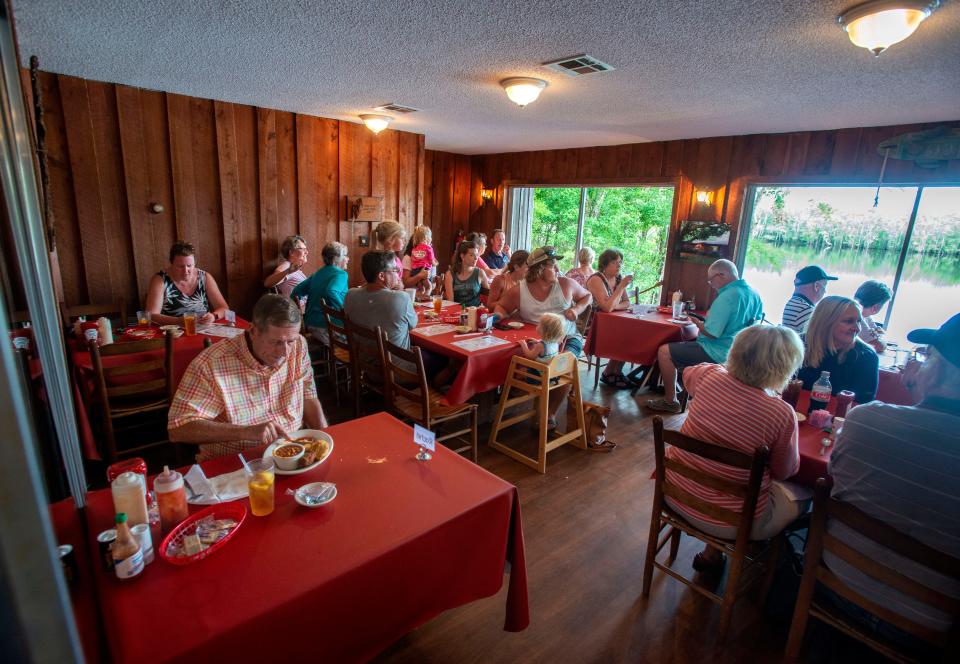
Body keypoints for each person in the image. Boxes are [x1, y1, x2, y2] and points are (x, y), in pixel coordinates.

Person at [825, 313, 960, 645]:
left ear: (938, 369)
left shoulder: (865, 420)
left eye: (925, 355)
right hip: (931, 623)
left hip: (836, 579)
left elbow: (833, 482)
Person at [663, 325, 809, 571]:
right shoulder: (781, 413)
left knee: (727, 473)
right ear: (785, 367)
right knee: (805, 494)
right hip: (733, 523)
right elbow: (784, 471)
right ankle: (782, 574)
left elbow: (688, 375)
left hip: (675, 493)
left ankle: (712, 555)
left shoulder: (709, 375)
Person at [167, 294, 327, 461]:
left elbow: (308, 394)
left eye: (290, 341)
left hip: (294, 452)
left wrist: (325, 439)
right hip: (237, 463)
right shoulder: (210, 364)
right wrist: (246, 432)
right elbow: (178, 428)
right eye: (276, 342)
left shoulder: (299, 344)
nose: (285, 353)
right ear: (253, 331)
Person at [493, 246, 592, 429]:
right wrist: (498, 316)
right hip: (535, 341)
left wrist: (576, 309)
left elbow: (587, 296)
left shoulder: (565, 284)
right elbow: (501, 307)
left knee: (564, 367)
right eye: (552, 266)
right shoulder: (519, 290)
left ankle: (549, 414)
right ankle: (507, 399)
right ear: (539, 269)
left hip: (567, 337)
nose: (557, 269)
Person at [647, 259, 763, 413]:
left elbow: (712, 333)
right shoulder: (754, 294)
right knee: (683, 345)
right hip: (740, 353)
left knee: (664, 351)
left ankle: (670, 400)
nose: (711, 284)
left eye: (711, 279)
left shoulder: (727, 297)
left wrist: (697, 323)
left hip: (716, 352)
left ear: (722, 274)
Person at [344, 250, 448, 380]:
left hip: (366, 366)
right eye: (395, 270)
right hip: (397, 372)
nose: (399, 274)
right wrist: (397, 293)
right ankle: (433, 394)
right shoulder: (400, 298)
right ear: (381, 276)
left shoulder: (350, 294)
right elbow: (413, 324)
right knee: (447, 359)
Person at [797, 295, 878, 404]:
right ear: (826, 322)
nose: (857, 328)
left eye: (858, 321)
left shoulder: (865, 356)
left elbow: (862, 406)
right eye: (849, 321)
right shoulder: (798, 344)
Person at [145, 241, 229, 326]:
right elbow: (151, 316)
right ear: (172, 264)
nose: (186, 271)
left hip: (203, 329)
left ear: (195, 263)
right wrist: (178, 321)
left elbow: (224, 308)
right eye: (180, 266)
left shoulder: (204, 277)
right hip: (174, 332)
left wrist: (213, 316)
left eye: (189, 266)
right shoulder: (160, 280)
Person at [586, 249, 634, 389]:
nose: (619, 266)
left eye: (620, 263)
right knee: (624, 336)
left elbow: (627, 303)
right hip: (594, 324)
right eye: (614, 262)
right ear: (605, 264)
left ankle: (615, 372)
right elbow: (606, 308)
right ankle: (609, 373)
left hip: (613, 321)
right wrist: (620, 288)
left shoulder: (618, 278)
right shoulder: (596, 279)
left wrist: (614, 306)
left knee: (633, 335)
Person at [290, 242, 349, 346]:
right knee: (362, 339)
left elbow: (296, 292)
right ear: (336, 258)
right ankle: (342, 361)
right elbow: (331, 291)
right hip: (329, 328)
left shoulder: (318, 273)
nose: (348, 259)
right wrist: (344, 312)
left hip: (311, 325)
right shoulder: (341, 274)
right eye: (345, 255)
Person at [782, 265, 837, 333]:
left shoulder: (795, 303)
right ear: (816, 286)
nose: (825, 291)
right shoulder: (806, 310)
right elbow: (818, 341)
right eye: (825, 285)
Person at [375, 221, 424, 291]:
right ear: (390, 239)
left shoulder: (396, 259)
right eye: (402, 238)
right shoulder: (380, 261)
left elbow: (399, 282)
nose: (404, 241)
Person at [445, 241, 490, 307]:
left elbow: (489, 295)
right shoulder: (450, 274)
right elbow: (450, 302)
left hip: (474, 312)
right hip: (457, 312)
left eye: (477, 255)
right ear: (462, 256)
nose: (476, 258)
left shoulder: (480, 273)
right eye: (472, 255)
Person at [853, 279, 892, 353]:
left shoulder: (866, 315)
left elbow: (879, 332)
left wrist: (877, 336)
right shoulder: (857, 316)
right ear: (875, 307)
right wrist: (879, 338)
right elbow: (878, 346)